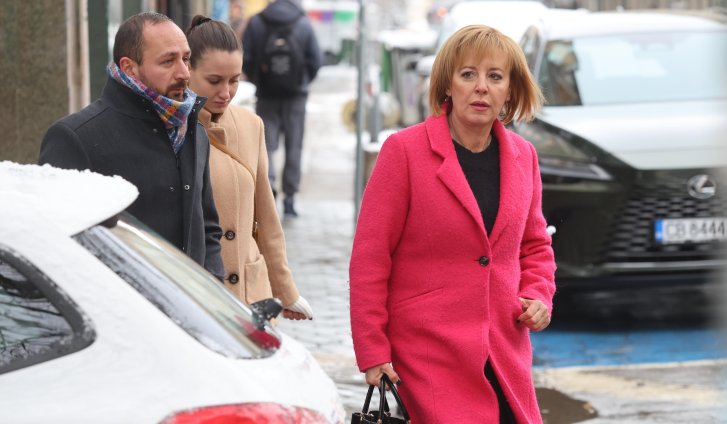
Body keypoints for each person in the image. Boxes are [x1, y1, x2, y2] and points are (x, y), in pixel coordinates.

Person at [349, 25, 556, 423]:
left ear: (510, 90)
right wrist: (373, 351)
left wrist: (538, 295)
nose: (481, 87)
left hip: (504, 350)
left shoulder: (524, 156)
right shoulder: (404, 151)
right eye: (468, 74)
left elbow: (534, 245)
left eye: (495, 77)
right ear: (447, 84)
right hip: (427, 353)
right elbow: (370, 259)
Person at [39, 12, 224, 280]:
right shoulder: (74, 138)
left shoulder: (193, 130)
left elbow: (207, 228)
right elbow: (58, 248)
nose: (184, 73)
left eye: (186, 59)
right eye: (168, 61)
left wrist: (213, 286)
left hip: (188, 302)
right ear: (129, 68)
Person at [185, 15, 313, 319]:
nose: (226, 92)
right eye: (214, 81)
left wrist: (286, 291)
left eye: (234, 80)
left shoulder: (251, 125)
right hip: (200, 298)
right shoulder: (174, 128)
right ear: (187, 70)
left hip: (250, 297)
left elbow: (266, 217)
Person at [242, 0, 322, 217]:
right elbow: (316, 60)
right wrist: (302, 81)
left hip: (266, 95)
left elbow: (246, 58)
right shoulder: (303, 23)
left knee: (266, 147)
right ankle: (290, 199)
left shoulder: (257, 22)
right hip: (296, 96)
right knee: (294, 146)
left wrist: (260, 81)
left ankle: (269, 194)